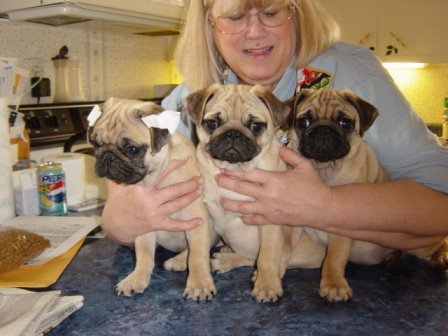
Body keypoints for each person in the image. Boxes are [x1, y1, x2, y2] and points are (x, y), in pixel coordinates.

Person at [102, 0, 448, 251]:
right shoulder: (195, 93)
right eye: (235, 16)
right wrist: (120, 217)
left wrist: (325, 206)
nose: (254, 32)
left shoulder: (352, 76)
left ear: (296, 12)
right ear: (210, 25)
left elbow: (439, 205)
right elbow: (139, 174)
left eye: (270, 12)